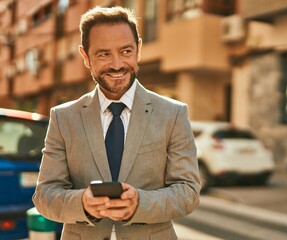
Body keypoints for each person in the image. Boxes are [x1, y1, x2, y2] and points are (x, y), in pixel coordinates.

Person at [33, 6, 201, 240]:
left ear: (138, 50)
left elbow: (188, 192)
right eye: (103, 54)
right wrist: (82, 202)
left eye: (126, 51)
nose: (117, 64)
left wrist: (140, 203)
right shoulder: (63, 118)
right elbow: (45, 195)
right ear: (85, 56)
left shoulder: (173, 114)